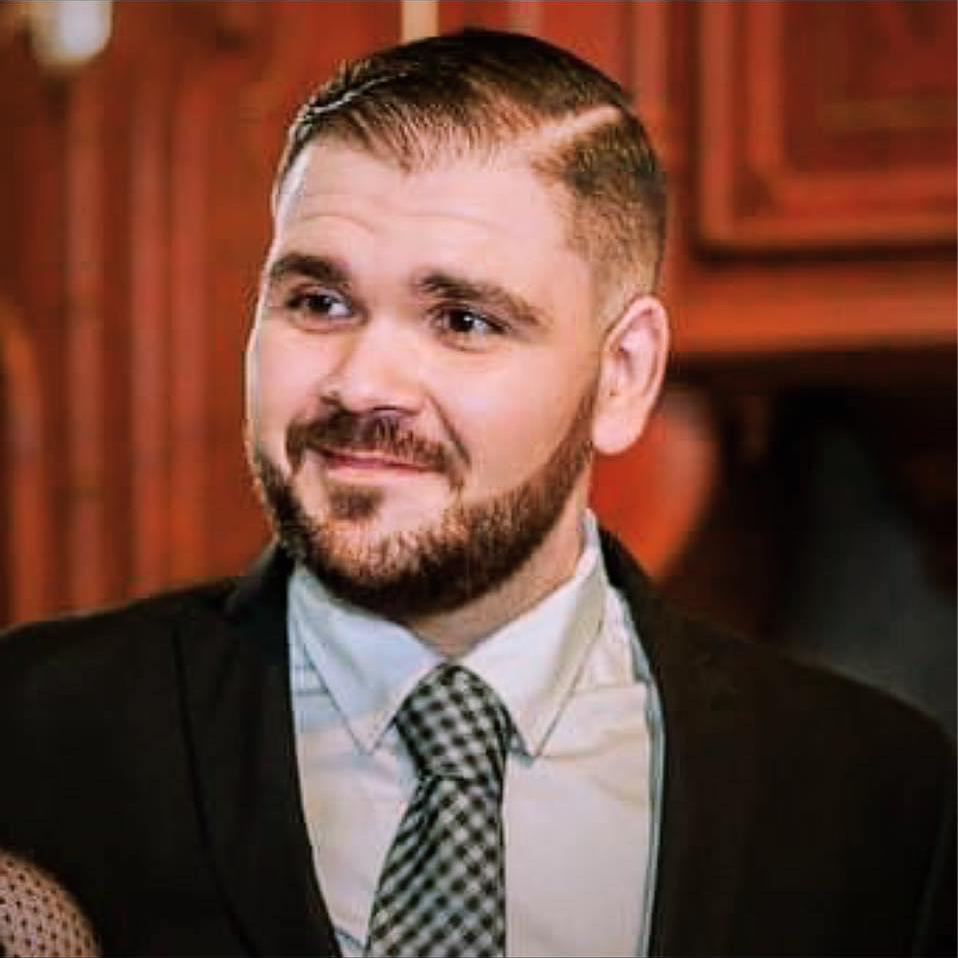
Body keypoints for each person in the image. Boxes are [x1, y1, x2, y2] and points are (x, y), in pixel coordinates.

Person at [0, 28, 953, 958]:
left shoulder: (879, 796)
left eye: (461, 320)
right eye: (318, 303)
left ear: (621, 375)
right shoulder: (32, 731)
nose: (360, 383)